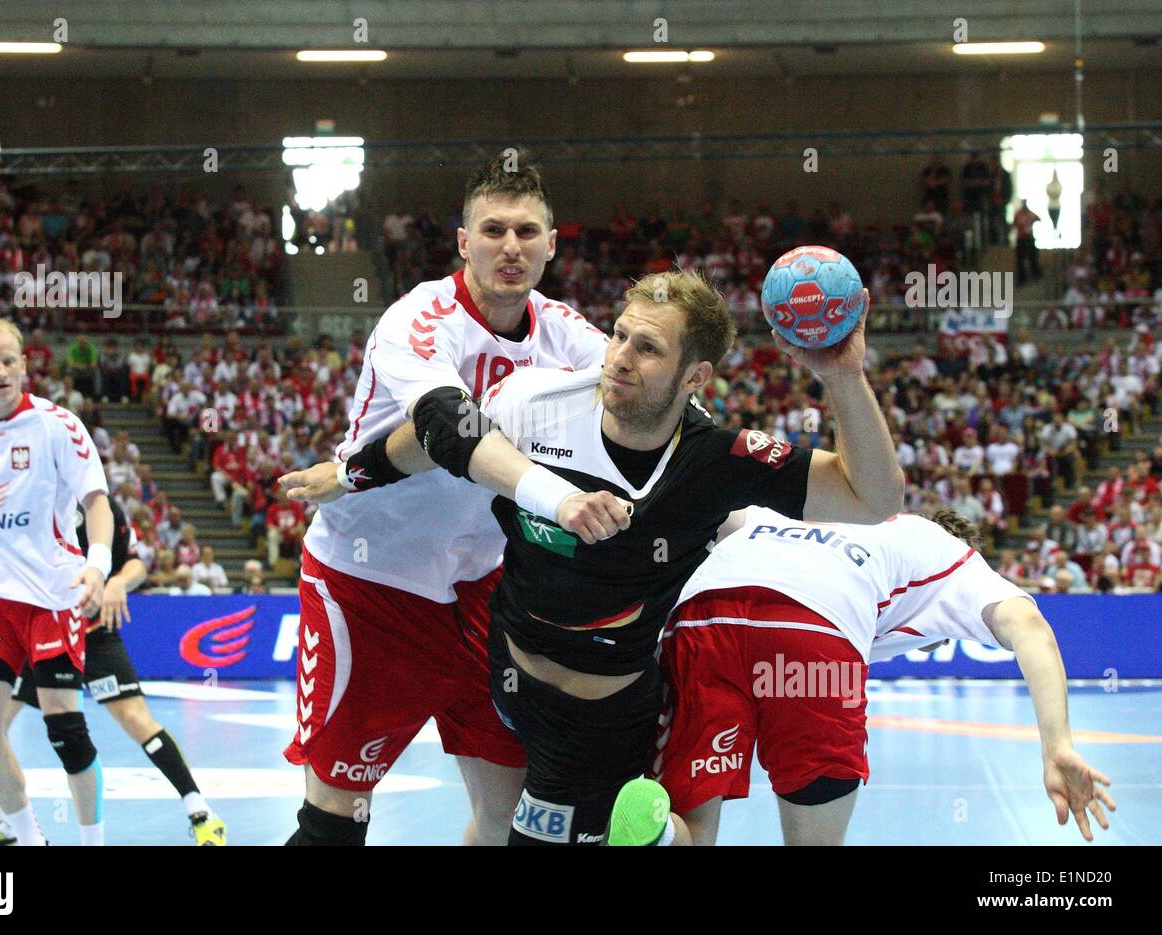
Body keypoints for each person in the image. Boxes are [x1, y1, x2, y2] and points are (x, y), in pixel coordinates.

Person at [285, 268, 902, 845]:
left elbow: (871, 498)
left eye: (648, 349)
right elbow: (434, 438)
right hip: (503, 671)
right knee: (483, 822)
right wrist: (347, 473)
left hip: (597, 722)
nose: (620, 358)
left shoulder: (720, 461)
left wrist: (845, 378)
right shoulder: (534, 401)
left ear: (694, 376)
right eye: (619, 335)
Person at [274, 151, 614, 846]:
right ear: (464, 242)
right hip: (371, 582)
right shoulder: (419, 318)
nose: (510, 246)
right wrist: (557, 498)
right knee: (335, 817)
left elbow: (640, 400)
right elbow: (449, 432)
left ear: (552, 243)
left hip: (485, 585)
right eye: (493, 230)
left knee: (516, 812)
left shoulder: (569, 333)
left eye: (527, 231)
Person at [609, 507, 1115, 846]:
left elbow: (701, 515)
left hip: (703, 616)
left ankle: (661, 832)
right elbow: (1030, 628)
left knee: (690, 825)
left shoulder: (803, 515)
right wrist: (1057, 745)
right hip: (811, 633)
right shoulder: (949, 554)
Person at [0, 317, 114, 847]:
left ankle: (92, 843)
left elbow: (95, 502)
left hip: (53, 594)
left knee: (66, 732)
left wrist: (97, 564)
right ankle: (30, 840)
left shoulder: (58, 425)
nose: (2, 370)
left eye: (10, 360)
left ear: (24, 364)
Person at [0, 498, 227, 846]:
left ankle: (202, 814)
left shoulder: (99, 505)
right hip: (39, 633)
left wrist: (117, 583)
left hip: (94, 634)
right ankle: (3, 821)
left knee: (137, 720)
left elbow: (135, 565)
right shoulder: (23, 495)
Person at [1013, 199, 1042, 286]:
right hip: (1022, 238)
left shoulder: (1029, 214)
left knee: (1032, 257)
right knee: (1021, 260)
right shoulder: (1019, 214)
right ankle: (1023, 277)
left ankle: (1036, 274)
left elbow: (1038, 218)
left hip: (1028, 238)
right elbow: (1014, 222)